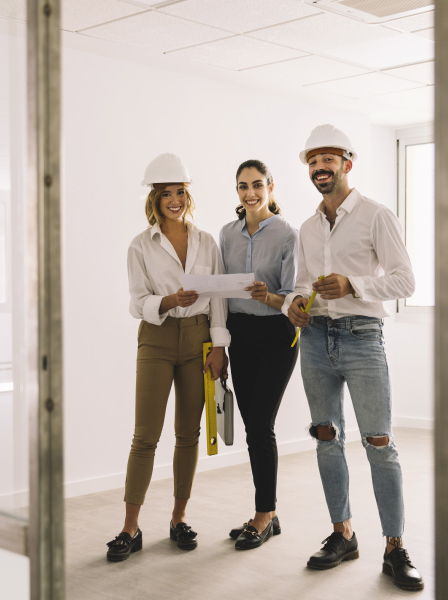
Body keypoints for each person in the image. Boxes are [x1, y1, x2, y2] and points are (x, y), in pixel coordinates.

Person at [284, 125, 424, 591]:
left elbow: (405, 281)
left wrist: (353, 285)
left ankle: (395, 546)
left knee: (379, 444)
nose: (320, 167)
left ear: (347, 162)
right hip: (316, 339)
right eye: (313, 161)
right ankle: (343, 534)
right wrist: (297, 303)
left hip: (363, 336)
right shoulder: (306, 227)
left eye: (328, 159)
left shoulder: (376, 216)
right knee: (326, 437)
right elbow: (303, 282)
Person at [106, 153, 228, 562]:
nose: (174, 200)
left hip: (197, 341)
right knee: (145, 436)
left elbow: (217, 300)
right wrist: (169, 300)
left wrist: (219, 347)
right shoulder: (140, 245)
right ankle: (130, 527)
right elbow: (136, 302)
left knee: (188, 434)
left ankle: (179, 519)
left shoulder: (206, 241)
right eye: (165, 194)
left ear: (187, 195)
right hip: (156, 339)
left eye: (180, 192)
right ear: (154, 199)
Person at [219, 159, 299, 550]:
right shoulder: (227, 234)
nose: (249, 193)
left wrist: (268, 295)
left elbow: (294, 295)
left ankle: (264, 515)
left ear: (270, 186)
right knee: (251, 425)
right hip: (240, 334)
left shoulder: (287, 233)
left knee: (260, 425)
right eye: (242, 186)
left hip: (276, 335)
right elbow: (220, 289)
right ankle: (267, 512)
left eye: (256, 185)